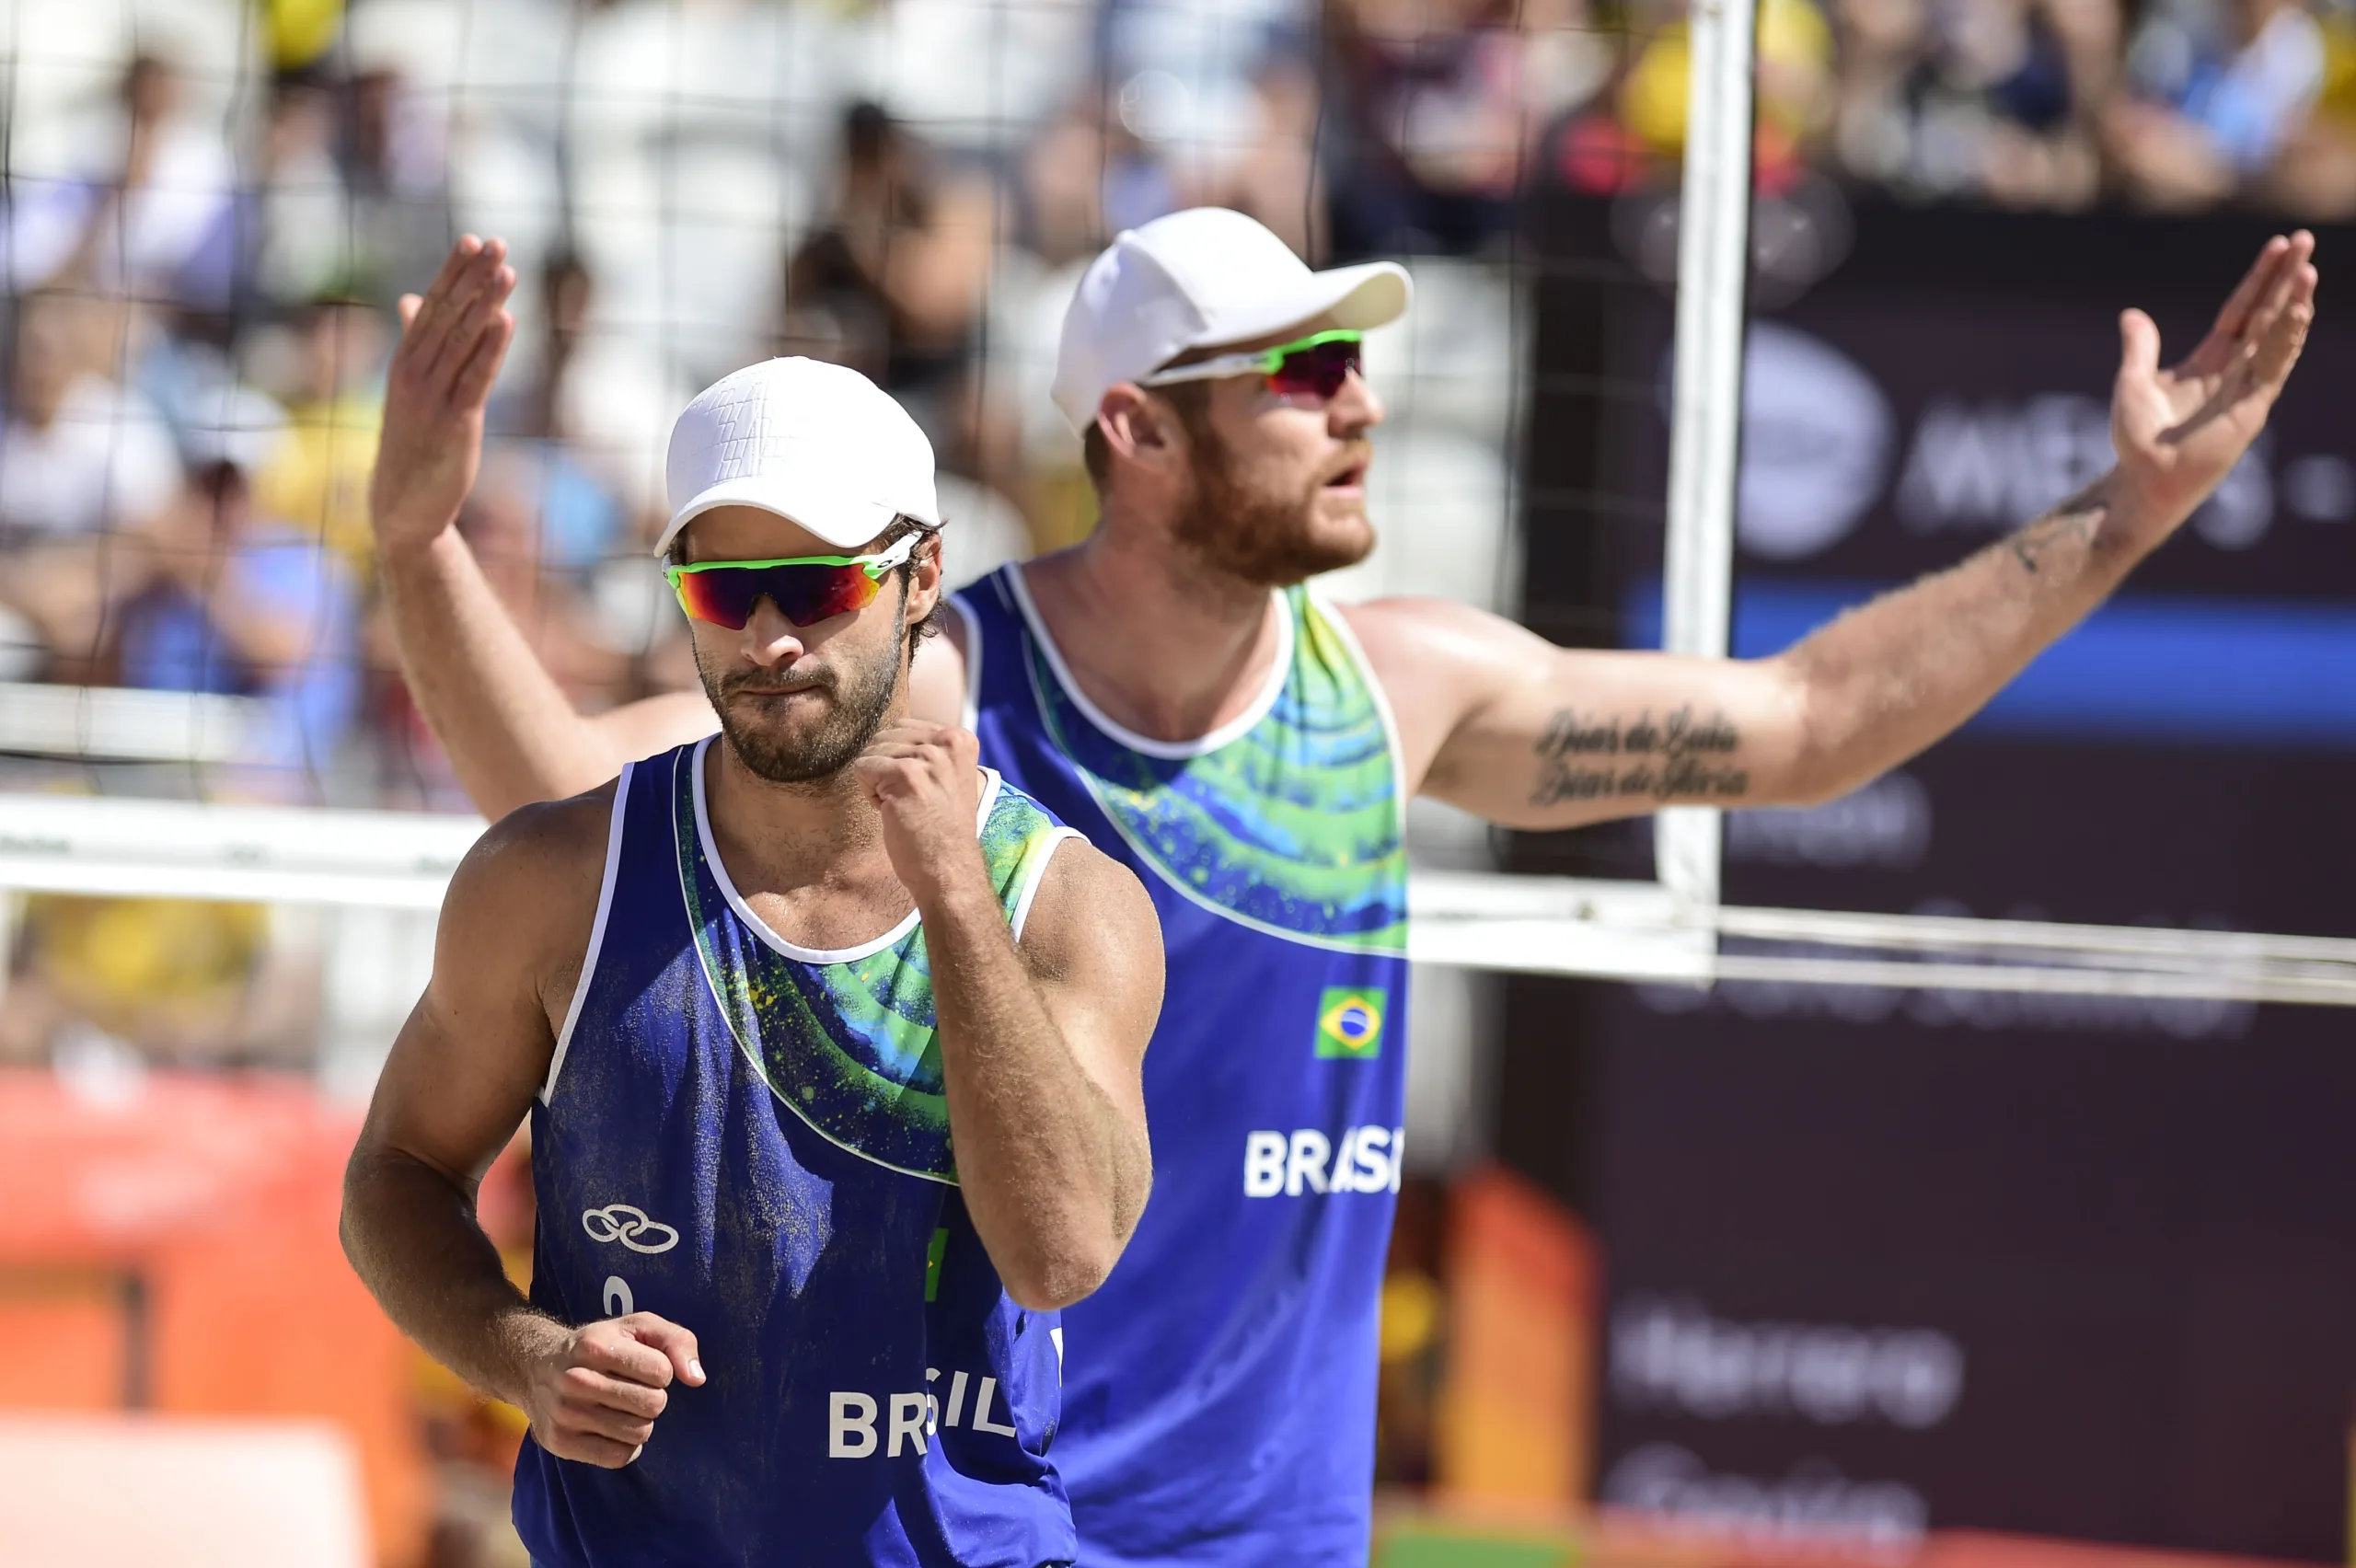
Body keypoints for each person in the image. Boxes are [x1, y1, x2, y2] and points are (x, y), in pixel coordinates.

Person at [371, 214, 2317, 1564]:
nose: (1354, 399)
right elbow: (577, 827)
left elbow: (1803, 723)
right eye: (1297, 367)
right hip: (956, 1510)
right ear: (1131, 433)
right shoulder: (936, 684)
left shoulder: (1390, 693)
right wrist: (422, 555)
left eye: (1352, 361)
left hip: (1251, 1531)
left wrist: (2119, 511)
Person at [342, 335, 1163, 1562]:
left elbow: (1061, 1257)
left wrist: (952, 902)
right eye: (725, 591)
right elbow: (394, 1175)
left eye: (817, 586)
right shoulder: (556, 881)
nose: (770, 637)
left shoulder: (1056, 901)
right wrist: (524, 1356)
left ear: (921, 575)